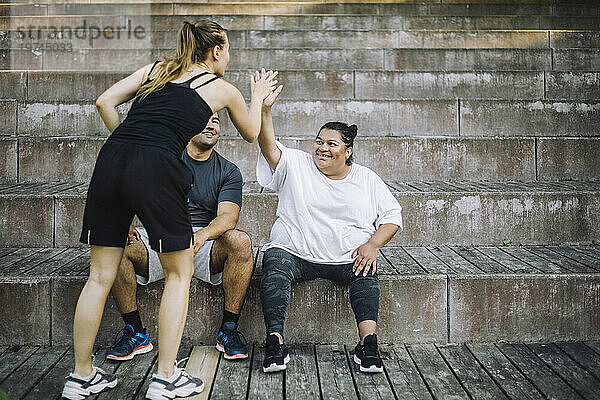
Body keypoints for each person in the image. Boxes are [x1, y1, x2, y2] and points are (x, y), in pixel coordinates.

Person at [62, 20, 277, 400]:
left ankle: (80, 376)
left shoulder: (157, 69)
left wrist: (130, 148)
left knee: (99, 276)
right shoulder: (220, 88)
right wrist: (257, 96)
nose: (229, 57)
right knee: (180, 272)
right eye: (228, 50)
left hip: (112, 160)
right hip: (156, 165)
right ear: (216, 51)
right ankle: (165, 377)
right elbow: (249, 130)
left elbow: (105, 102)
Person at [254, 72, 402, 374]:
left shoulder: (366, 178)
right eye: (319, 141)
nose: (322, 147)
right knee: (274, 262)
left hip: (345, 256)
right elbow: (269, 147)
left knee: (367, 269)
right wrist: (265, 110)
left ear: (348, 152)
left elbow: (392, 217)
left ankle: (368, 344)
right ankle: (275, 342)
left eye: (331, 144)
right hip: (295, 251)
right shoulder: (296, 163)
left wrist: (373, 245)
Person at [106, 113, 253, 364]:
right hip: (159, 240)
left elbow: (228, 217)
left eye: (216, 121)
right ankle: (135, 332)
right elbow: (129, 189)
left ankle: (228, 329)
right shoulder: (163, 159)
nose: (210, 125)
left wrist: (201, 235)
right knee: (115, 243)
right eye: (204, 119)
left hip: (203, 245)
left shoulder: (228, 171)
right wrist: (125, 219)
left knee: (241, 241)